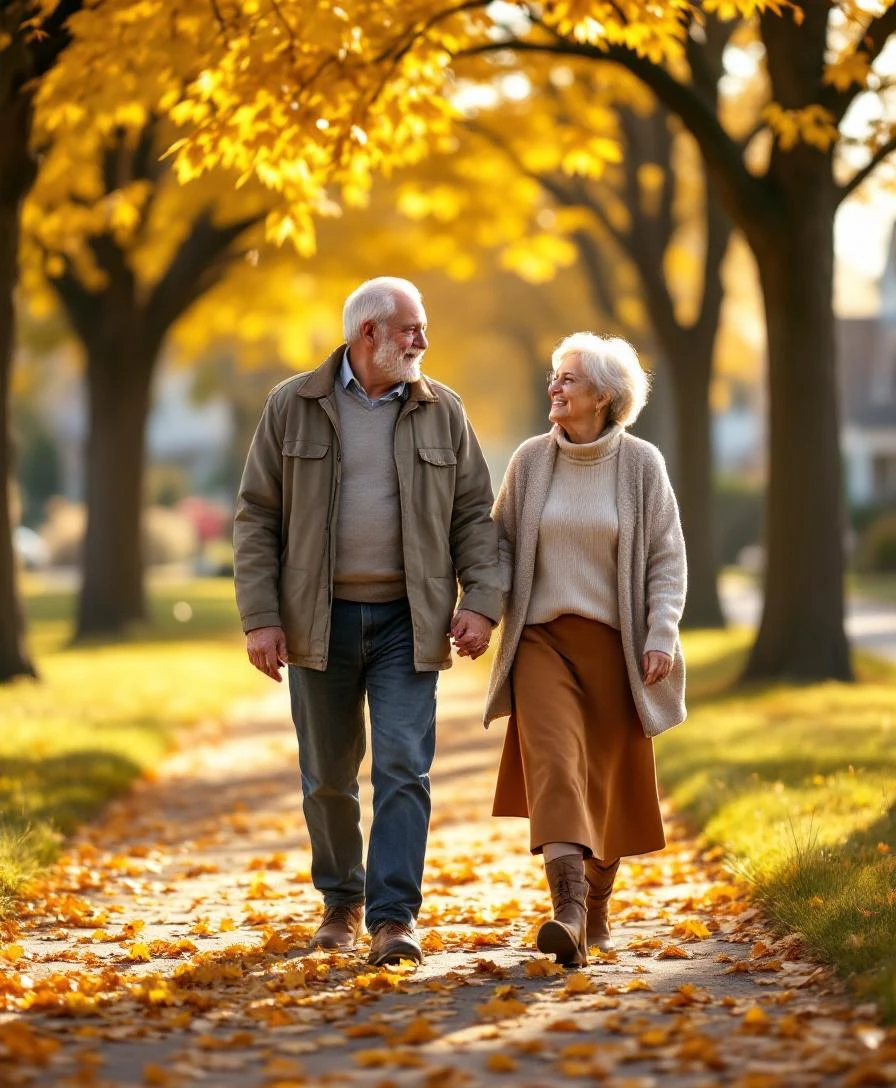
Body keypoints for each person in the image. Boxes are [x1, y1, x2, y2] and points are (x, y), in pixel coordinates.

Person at [234, 277, 502, 966]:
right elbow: (257, 516)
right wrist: (261, 617)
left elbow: (474, 513)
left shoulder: (445, 411)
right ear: (368, 335)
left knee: (404, 769)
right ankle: (341, 902)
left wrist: (480, 600)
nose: (423, 341)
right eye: (410, 329)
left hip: (407, 622)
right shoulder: (291, 405)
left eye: (423, 328)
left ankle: (392, 917)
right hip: (316, 620)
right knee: (326, 775)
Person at [484, 332, 687, 967]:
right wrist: (477, 610)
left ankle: (596, 906)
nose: (556, 386)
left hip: (616, 646)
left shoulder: (641, 466)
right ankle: (567, 912)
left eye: (568, 378)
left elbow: (666, 557)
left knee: (607, 787)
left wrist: (660, 633)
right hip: (542, 641)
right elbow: (500, 547)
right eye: (555, 375)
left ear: (603, 395)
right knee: (554, 765)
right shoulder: (530, 461)